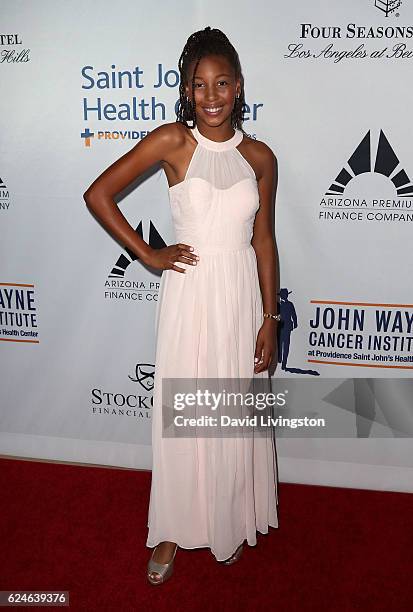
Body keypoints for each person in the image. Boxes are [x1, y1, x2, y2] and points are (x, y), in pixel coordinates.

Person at [83, 26, 280, 586]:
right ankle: (170, 527)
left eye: (221, 84)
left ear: (239, 87)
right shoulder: (173, 142)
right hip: (191, 294)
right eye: (199, 85)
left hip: (241, 294)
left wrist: (269, 317)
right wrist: (147, 253)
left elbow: (264, 242)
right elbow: (99, 193)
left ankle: (228, 517)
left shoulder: (261, 157)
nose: (211, 96)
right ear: (186, 90)